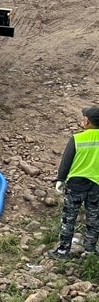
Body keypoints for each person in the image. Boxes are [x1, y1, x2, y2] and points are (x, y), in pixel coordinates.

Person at [50, 105, 99, 259]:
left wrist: (60, 179)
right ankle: (90, 250)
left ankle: (63, 250)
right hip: (96, 185)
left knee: (69, 217)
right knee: (94, 218)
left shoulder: (77, 138)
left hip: (76, 184)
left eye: (84, 117)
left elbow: (66, 162)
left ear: (88, 122)